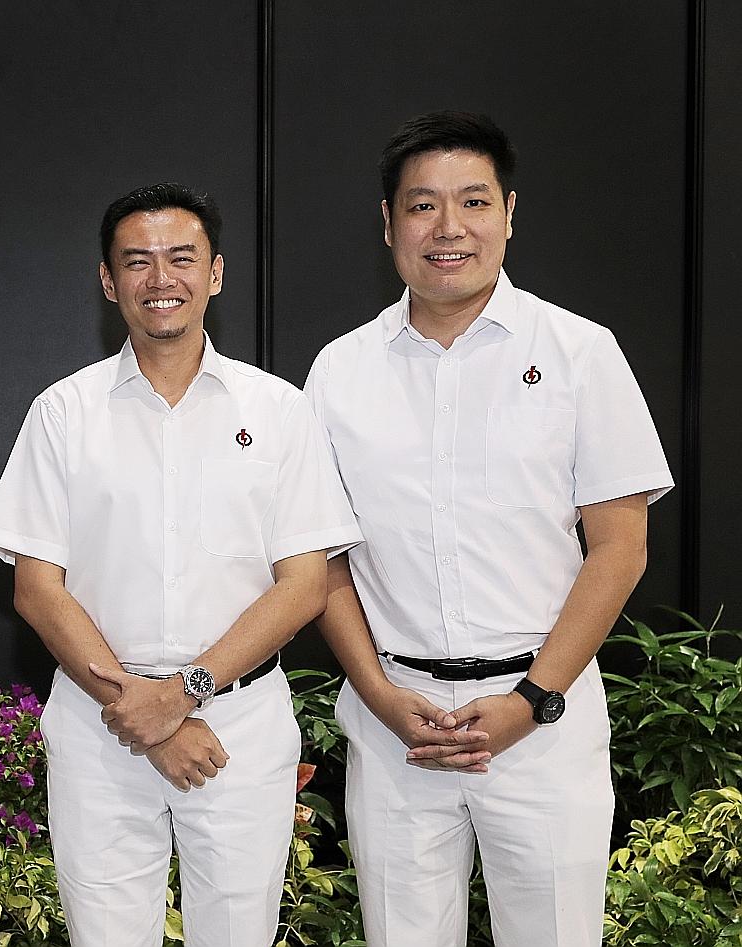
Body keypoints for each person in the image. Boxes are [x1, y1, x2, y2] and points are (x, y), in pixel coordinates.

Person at [304, 111, 673, 947]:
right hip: (399, 726)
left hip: (543, 722)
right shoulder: (339, 370)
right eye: (422, 205)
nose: (448, 228)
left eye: (472, 202)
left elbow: (620, 545)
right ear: (389, 223)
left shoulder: (581, 352)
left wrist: (532, 700)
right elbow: (321, 558)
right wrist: (380, 695)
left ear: (509, 211)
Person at [0, 183, 362, 947]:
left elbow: (305, 584)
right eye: (138, 262)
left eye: (181, 258)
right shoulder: (63, 412)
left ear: (215, 272)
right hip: (98, 724)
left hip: (239, 724)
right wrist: (146, 718)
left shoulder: (279, 409)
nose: (162, 279)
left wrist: (184, 693)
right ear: (107, 280)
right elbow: (35, 587)